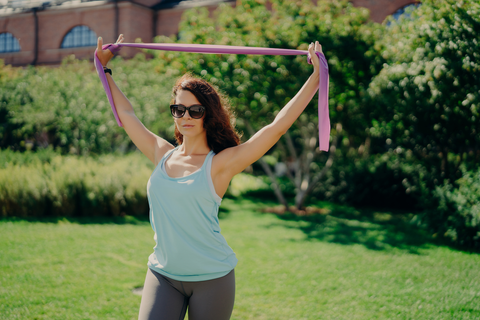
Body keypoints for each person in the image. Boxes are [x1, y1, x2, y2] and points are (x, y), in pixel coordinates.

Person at [96, 34, 324, 320]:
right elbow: (127, 113)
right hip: (163, 274)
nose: (185, 116)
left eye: (195, 110)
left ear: (208, 114)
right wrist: (104, 70)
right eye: (178, 109)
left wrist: (316, 76)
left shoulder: (220, 164)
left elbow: (275, 128)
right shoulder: (161, 153)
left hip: (212, 277)